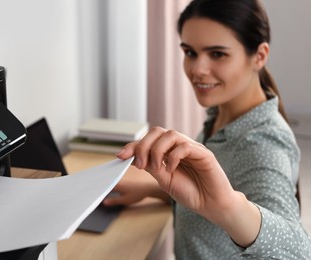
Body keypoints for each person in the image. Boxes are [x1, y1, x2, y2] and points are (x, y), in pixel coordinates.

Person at [103, 0, 311, 258]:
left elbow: (298, 252)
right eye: (190, 52)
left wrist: (228, 207)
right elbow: (218, 189)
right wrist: (154, 190)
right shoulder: (223, 114)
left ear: (259, 56)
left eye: (217, 54)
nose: (197, 70)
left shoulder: (262, 143)